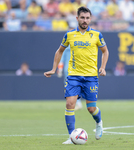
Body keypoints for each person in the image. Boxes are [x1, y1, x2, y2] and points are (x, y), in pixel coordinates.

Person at [44, 6, 109, 144]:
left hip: (91, 76)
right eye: (82, 18)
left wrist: (102, 67)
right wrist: (54, 68)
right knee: (70, 104)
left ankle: (99, 122)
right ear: (77, 18)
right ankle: (71, 137)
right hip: (73, 75)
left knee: (91, 108)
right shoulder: (69, 35)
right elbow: (59, 51)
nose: (85, 21)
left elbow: (105, 51)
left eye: (87, 18)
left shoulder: (97, 35)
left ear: (90, 19)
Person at [57, 27, 83, 110]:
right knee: (69, 87)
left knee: (75, 86)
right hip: (68, 71)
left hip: (76, 70)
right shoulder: (65, 45)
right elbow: (62, 59)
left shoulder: (79, 44)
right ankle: (74, 103)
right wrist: (60, 69)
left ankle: (77, 103)